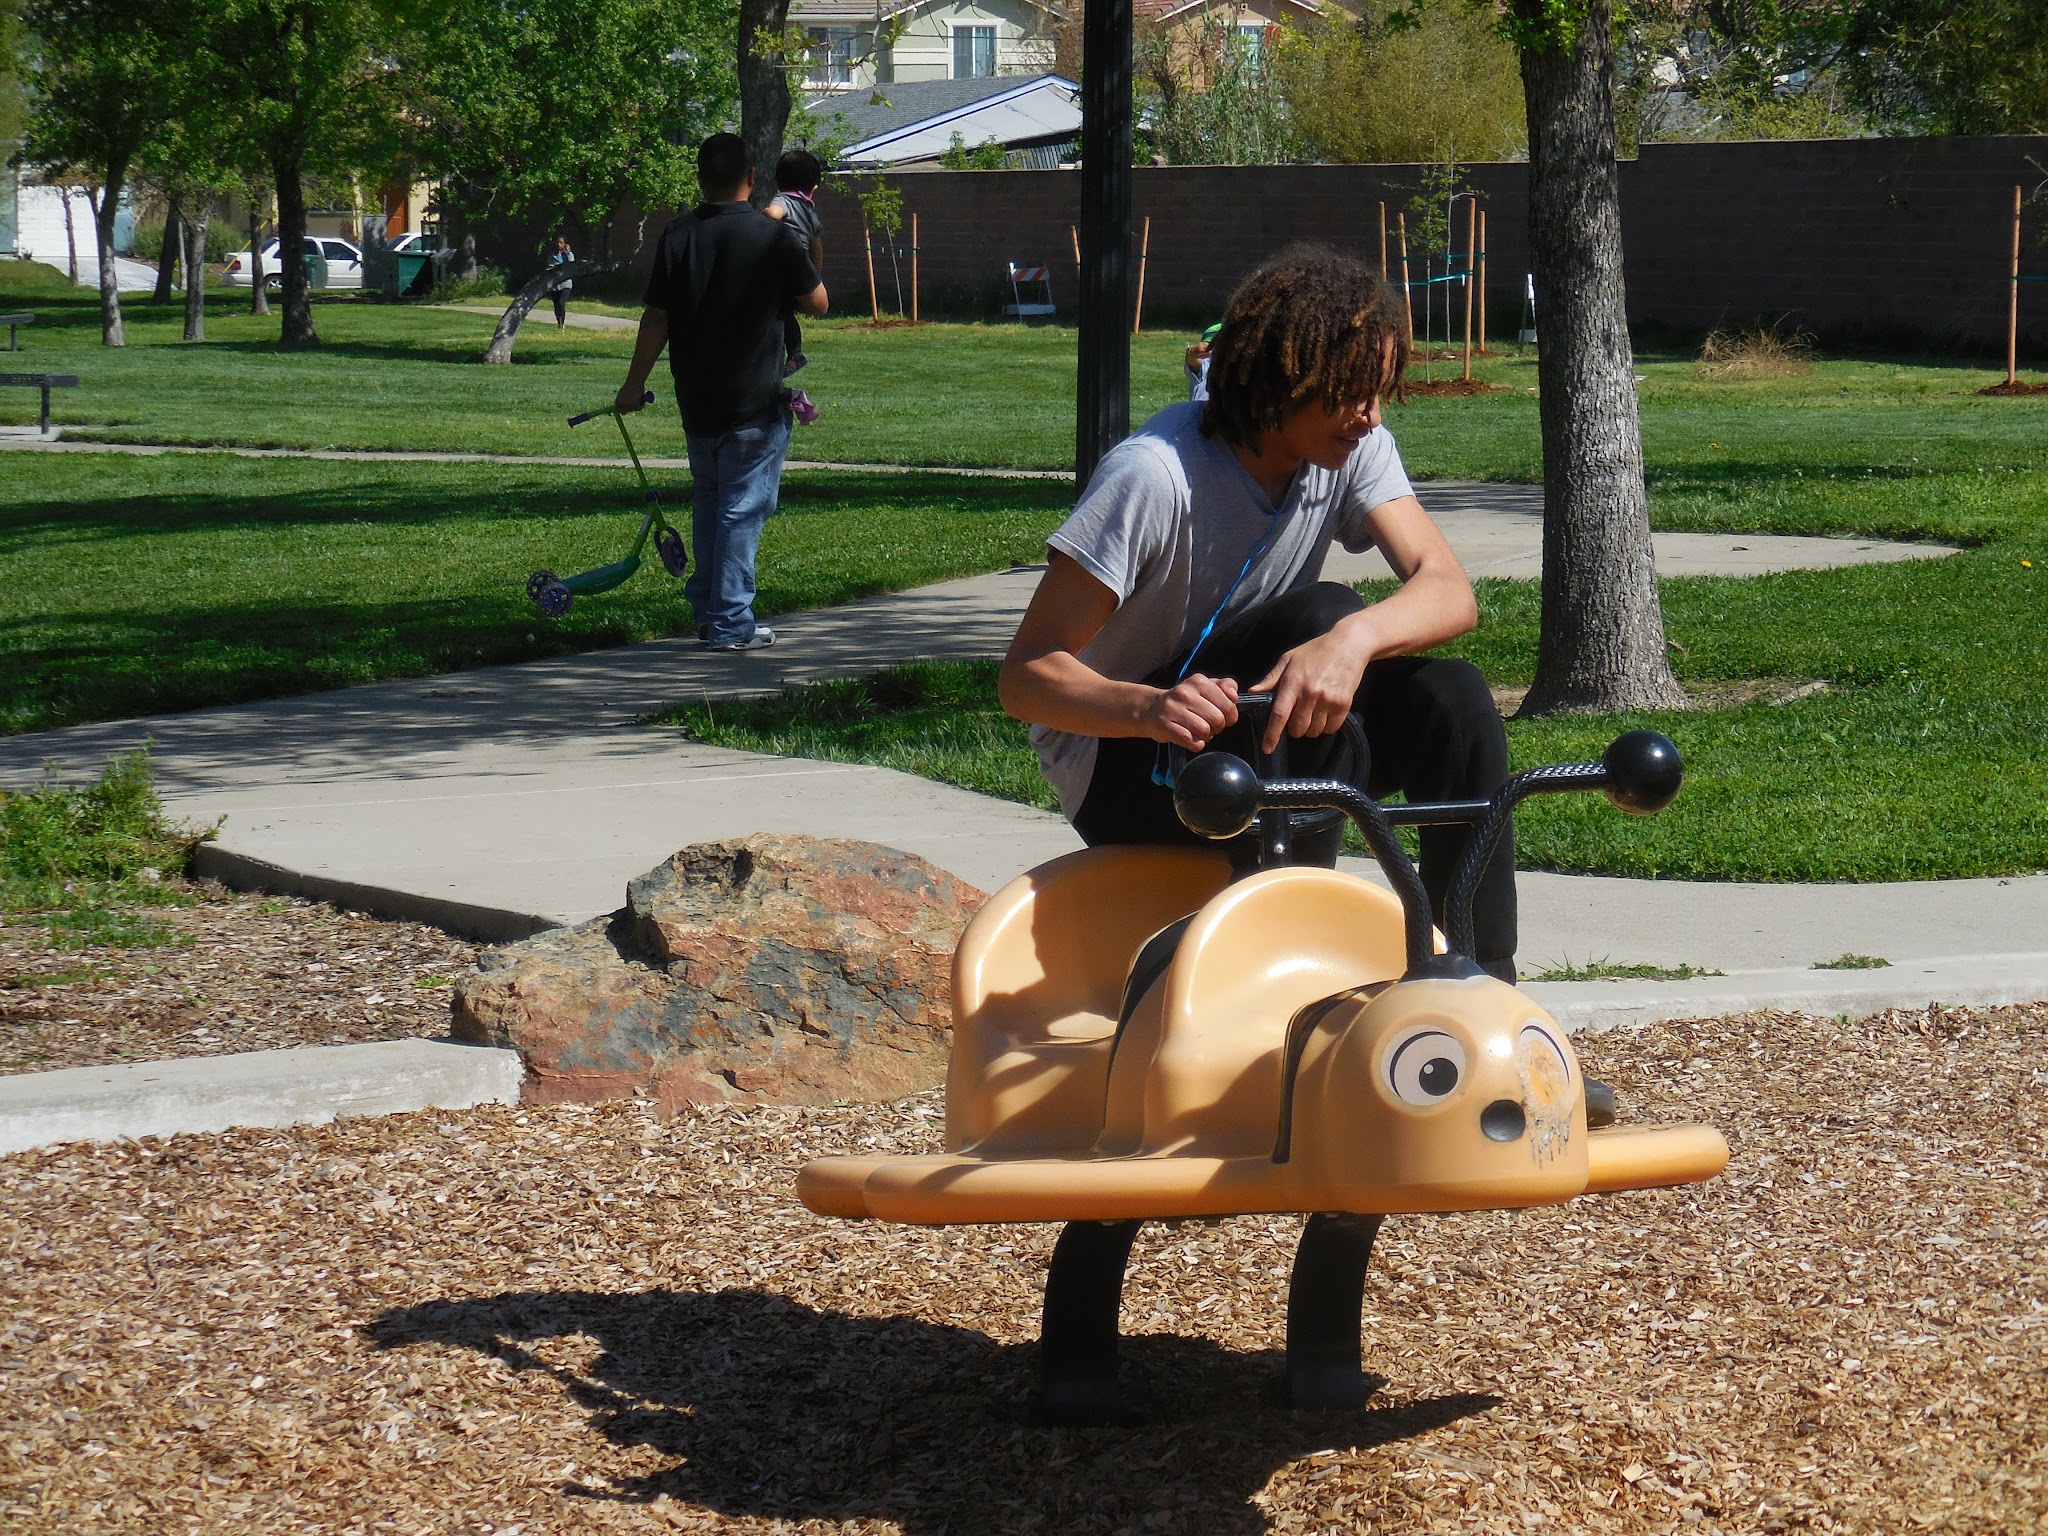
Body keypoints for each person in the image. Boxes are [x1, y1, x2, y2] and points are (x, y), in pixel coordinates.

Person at [1000, 244, 1528, 981]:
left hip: (1260, 728)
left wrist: (1355, 641)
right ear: (1285, 380)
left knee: (1455, 699)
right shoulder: (1154, 477)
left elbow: (1447, 589)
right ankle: (1287, 925)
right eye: (1351, 392)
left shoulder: (1351, 448)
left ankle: (1478, 984)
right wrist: (1152, 708)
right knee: (1321, 611)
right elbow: (1026, 677)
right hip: (1130, 766)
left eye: (1379, 391)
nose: (1370, 417)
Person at [615, 134, 828, 652]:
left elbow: (657, 316)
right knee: (742, 509)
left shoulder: (678, 235)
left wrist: (634, 381)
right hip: (754, 399)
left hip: (697, 397)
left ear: (698, 179)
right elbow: (817, 301)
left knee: (711, 501)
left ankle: (711, 612)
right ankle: (732, 622)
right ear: (752, 178)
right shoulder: (773, 238)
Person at [764, 148, 825, 375]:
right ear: (814, 187)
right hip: (801, 267)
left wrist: (759, 221)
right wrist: (814, 276)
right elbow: (816, 245)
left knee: (779, 310)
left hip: (781, 265)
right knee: (785, 311)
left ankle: (790, 354)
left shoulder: (782, 200)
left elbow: (773, 214)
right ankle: (795, 354)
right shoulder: (809, 210)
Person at [547, 235, 574, 329]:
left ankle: (562, 323)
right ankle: (559, 323)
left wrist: (568, 252)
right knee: (556, 305)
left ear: (565, 244)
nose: (559, 244)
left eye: (561, 242)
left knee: (561, 303)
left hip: (566, 283)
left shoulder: (567, 254)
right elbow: (549, 267)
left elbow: (572, 263)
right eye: (557, 242)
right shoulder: (552, 255)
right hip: (555, 284)